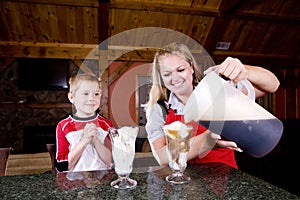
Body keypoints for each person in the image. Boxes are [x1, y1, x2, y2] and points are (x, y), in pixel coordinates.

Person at [145, 42, 280, 169]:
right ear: (161, 78)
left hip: (224, 177)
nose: (175, 78)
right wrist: (208, 141)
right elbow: (160, 157)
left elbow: (272, 85)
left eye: (180, 70)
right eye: (167, 74)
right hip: (182, 181)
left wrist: (245, 71)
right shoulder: (159, 109)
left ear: (191, 68)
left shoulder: (217, 91)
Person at [55, 73, 113, 172]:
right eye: (85, 93)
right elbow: (62, 166)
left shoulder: (106, 124)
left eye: (96, 94)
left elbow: (111, 162)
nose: (91, 98)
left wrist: (95, 140)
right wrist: (84, 140)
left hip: (103, 180)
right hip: (74, 182)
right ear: (72, 97)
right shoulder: (63, 126)